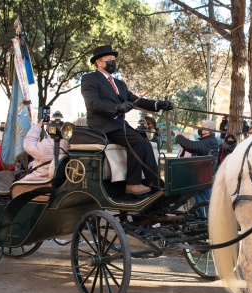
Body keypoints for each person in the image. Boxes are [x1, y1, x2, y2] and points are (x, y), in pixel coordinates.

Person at [80, 45, 173, 195]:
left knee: (146, 144)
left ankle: (155, 184)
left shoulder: (119, 84)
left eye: (114, 60)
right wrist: (117, 107)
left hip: (118, 124)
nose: (113, 62)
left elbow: (136, 100)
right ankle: (132, 184)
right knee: (136, 140)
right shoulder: (90, 79)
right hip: (102, 124)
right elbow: (92, 103)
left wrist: (158, 104)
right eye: (109, 59)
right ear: (98, 62)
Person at [174, 120, 218, 216]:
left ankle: (205, 223)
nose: (200, 129)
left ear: (207, 130)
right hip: (201, 179)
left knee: (203, 204)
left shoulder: (209, 141)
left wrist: (178, 136)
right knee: (199, 203)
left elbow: (191, 146)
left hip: (202, 180)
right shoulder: (208, 141)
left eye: (202, 127)